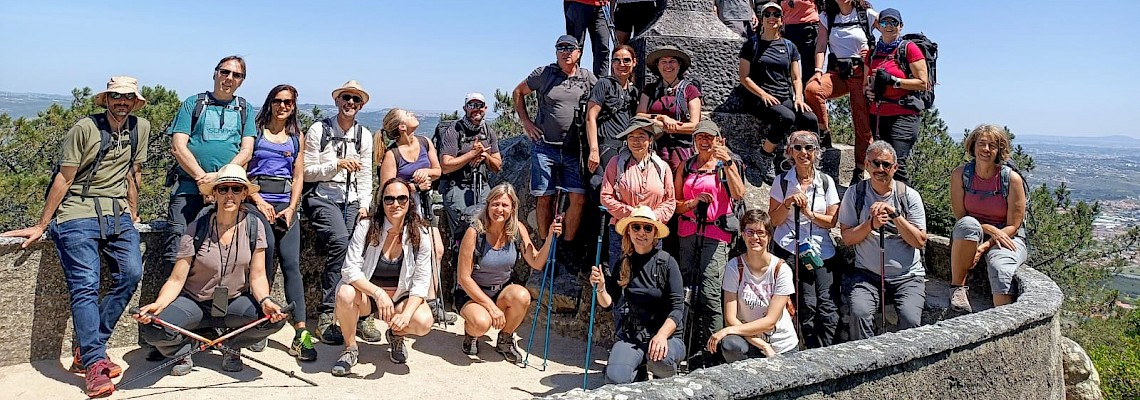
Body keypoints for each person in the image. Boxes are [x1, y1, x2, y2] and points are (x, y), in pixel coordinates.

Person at [1, 77, 149, 397]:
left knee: (131, 273)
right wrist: (43, 223)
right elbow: (64, 177)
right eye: (116, 96)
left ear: (135, 102)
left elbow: (133, 173)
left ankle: (88, 347)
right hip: (77, 212)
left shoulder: (141, 128)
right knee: (86, 284)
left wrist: (133, 213)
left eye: (127, 97)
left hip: (117, 214)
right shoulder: (85, 128)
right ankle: (95, 363)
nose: (121, 102)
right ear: (106, 99)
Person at [135, 164, 287, 376]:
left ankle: (231, 346)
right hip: (195, 302)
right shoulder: (196, 228)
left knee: (273, 320)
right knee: (153, 329)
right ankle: (183, 350)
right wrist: (158, 305)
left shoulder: (254, 226)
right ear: (214, 193)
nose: (229, 195)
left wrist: (266, 301)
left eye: (236, 189)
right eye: (223, 189)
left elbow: (258, 275)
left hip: (234, 302)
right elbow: (177, 279)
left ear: (244, 194)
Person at [164, 57, 258, 343]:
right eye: (225, 72)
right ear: (215, 73)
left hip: (228, 193)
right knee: (176, 251)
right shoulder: (194, 103)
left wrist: (220, 181)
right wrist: (202, 178)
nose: (229, 78)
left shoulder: (244, 109)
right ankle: (174, 327)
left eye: (236, 75)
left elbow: (247, 149)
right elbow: (178, 145)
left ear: (242, 80)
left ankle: (217, 324)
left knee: (230, 256)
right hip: (190, 189)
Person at [330, 178, 436, 376]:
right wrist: (378, 294)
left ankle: (396, 334)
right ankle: (350, 348)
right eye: (389, 199)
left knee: (423, 322)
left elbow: (421, 282)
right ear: (382, 203)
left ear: (410, 202)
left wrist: (405, 316)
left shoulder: (420, 234)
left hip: (400, 298)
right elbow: (349, 269)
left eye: (402, 199)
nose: (395, 204)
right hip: (368, 297)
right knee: (345, 292)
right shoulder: (367, 227)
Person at [244, 84, 315, 360]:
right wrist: (257, 200)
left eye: (288, 102)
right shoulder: (256, 132)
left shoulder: (297, 136)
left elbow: (298, 176)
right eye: (278, 101)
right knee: (265, 256)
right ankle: (259, 324)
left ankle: (300, 333)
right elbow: (244, 169)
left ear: (294, 106)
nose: (283, 106)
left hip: (286, 205)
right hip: (258, 202)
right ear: (270, 103)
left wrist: (292, 207)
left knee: (292, 265)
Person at [302, 80, 375, 345]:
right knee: (341, 242)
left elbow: (367, 175)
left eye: (356, 100)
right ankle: (326, 313)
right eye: (346, 98)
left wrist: (365, 205)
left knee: (364, 244)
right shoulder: (318, 130)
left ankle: (361, 311)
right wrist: (336, 165)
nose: (350, 103)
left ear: (361, 105)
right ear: (337, 100)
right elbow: (307, 171)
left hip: (353, 198)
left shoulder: (364, 136)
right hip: (323, 196)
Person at [456, 183, 562, 362]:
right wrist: (491, 308)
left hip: (501, 290)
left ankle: (505, 339)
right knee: (482, 323)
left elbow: (536, 262)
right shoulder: (474, 233)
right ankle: (471, 333)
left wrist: (551, 237)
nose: (499, 209)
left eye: (505, 205)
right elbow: (464, 278)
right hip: (472, 294)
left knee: (522, 296)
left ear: (513, 208)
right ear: (487, 206)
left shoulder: (517, 229)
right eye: (495, 204)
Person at [513, 35, 597, 256]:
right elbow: (518, 92)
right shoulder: (544, 74)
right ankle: (545, 247)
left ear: (579, 53)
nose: (565, 51)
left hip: (574, 149)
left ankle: (567, 249)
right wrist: (526, 122)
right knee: (544, 198)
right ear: (556, 52)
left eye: (570, 48)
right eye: (561, 47)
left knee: (578, 198)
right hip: (545, 147)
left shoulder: (587, 77)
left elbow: (600, 101)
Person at [838, 141, 927, 340]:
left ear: (895, 168)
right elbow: (847, 237)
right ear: (867, 165)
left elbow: (920, 241)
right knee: (860, 313)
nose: (880, 169)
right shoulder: (855, 194)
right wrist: (871, 225)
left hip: (908, 276)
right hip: (867, 276)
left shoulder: (909, 196)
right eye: (875, 163)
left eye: (886, 165)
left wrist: (895, 216)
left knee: (910, 320)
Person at [674, 119, 745, 363]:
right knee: (685, 292)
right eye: (700, 137)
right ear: (694, 141)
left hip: (715, 235)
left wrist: (728, 162)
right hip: (688, 233)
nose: (705, 142)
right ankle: (683, 346)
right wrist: (693, 203)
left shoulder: (726, 166)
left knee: (710, 293)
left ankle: (711, 353)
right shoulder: (686, 165)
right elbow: (674, 203)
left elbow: (739, 194)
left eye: (710, 137)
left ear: (718, 140)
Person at [588, 206, 685, 384]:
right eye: (636, 227)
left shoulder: (667, 263)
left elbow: (678, 309)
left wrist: (662, 335)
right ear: (629, 232)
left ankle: (664, 381)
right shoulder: (623, 263)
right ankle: (639, 372)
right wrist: (601, 288)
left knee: (659, 361)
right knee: (616, 379)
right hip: (633, 336)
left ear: (655, 233)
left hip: (666, 337)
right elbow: (609, 303)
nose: (641, 232)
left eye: (647, 228)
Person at [378, 108, 454, 325]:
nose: (413, 114)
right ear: (402, 127)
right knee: (423, 252)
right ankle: (424, 302)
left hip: (425, 206)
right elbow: (387, 189)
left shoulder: (424, 142)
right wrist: (413, 186)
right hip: (403, 211)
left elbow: (438, 170)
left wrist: (427, 174)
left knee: (437, 251)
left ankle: (430, 301)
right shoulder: (392, 155)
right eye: (407, 114)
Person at [767, 130, 840, 348]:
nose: (803, 152)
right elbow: (774, 220)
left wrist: (809, 214)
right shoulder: (781, 182)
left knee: (827, 305)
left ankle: (827, 351)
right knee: (804, 304)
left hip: (821, 251)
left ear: (817, 152)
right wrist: (787, 203)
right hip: (789, 249)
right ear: (789, 152)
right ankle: (804, 349)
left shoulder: (826, 182)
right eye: (798, 147)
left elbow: (831, 221)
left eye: (809, 147)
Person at [949, 124, 1028, 312]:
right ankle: (957, 288)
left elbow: (1014, 225)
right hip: (972, 232)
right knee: (967, 224)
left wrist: (985, 246)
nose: (986, 149)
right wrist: (989, 229)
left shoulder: (1011, 179)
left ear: (999, 150)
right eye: (982, 143)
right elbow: (961, 216)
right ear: (973, 146)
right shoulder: (961, 175)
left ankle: (1003, 320)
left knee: (1001, 268)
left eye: (992, 145)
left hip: (1008, 236)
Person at [740, 2, 819, 185]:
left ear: (782, 20)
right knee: (786, 117)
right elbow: (744, 77)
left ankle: (811, 160)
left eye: (776, 14)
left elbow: (796, 78)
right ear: (761, 19)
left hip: (785, 96)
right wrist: (763, 94)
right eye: (767, 14)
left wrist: (798, 97)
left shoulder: (790, 46)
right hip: (759, 98)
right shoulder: (752, 44)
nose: (772, 17)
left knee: (810, 119)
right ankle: (764, 154)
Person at [707, 209, 798, 360]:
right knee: (730, 344)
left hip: (782, 346)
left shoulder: (781, 270)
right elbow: (731, 318)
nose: (755, 237)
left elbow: (770, 321)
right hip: (751, 344)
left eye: (761, 233)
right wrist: (763, 345)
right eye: (750, 232)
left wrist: (726, 330)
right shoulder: (734, 267)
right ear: (742, 235)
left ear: (769, 236)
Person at [806, 0, 878, 185]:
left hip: (861, 74)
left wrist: (872, 54)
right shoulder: (827, 16)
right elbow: (821, 45)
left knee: (862, 125)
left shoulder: (867, 15)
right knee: (813, 90)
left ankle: (860, 169)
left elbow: (889, 31)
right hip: (838, 72)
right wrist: (817, 71)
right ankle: (824, 131)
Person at [599, 117, 675, 273]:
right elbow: (606, 196)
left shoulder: (662, 167)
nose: (636, 141)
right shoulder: (616, 163)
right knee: (619, 276)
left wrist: (651, 217)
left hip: (651, 230)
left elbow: (670, 201)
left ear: (650, 139)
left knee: (649, 275)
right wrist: (631, 213)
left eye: (641, 136)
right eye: (631, 137)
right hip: (622, 230)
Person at [864, 8, 929, 183]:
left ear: (901, 26)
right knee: (881, 163)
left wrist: (894, 81)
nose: (889, 26)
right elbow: (866, 83)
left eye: (894, 22)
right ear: (879, 26)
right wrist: (869, 91)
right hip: (878, 115)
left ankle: (905, 207)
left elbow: (923, 82)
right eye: (885, 22)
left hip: (904, 114)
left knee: (896, 164)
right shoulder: (872, 53)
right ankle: (884, 204)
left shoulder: (909, 49)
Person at [439, 93, 502, 250]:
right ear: (465, 108)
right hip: (457, 186)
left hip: (482, 185)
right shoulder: (454, 131)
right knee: (464, 229)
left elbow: (497, 166)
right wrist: (471, 155)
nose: (476, 109)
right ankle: (461, 265)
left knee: (489, 226)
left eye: (479, 105)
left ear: (485, 108)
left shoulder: (488, 132)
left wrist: (484, 155)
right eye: (472, 105)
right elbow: (445, 165)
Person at [637, 45, 702, 169]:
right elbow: (639, 115)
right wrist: (662, 118)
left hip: (680, 149)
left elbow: (695, 125)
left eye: (672, 61)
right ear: (658, 65)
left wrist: (672, 127)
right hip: (653, 147)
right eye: (663, 62)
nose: (668, 65)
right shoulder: (650, 90)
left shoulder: (690, 90)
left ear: (679, 65)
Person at [586, 45, 640, 182]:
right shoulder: (603, 84)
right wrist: (594, 150)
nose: (621, 64)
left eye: (626, 60)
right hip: (606, 146)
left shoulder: (634, 92)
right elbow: (590, 117)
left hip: (627, 149)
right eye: (617, 60)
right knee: (601, 186)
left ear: (634, 62)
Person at [779, 0, 823, 95]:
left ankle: (809, 103)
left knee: (808, 70)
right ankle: (788, 102)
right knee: (786, 68)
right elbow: (775, 5)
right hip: (788, 29)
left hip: (809, 27)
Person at [564, 0, 612, 77]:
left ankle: (602, 84)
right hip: (577, 3)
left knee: (603, 47)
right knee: (574, 47)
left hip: (601, 6)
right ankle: (572, 82)